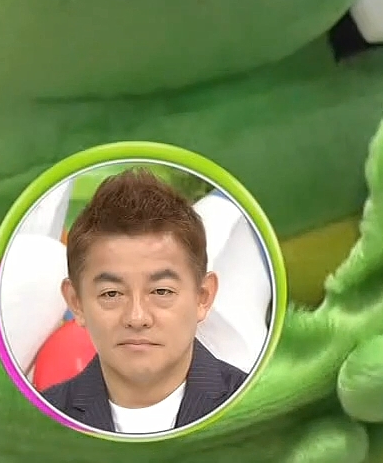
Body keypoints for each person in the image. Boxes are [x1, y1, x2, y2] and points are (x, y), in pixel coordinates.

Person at [41, 168, 247, 435]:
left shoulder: (261, 408)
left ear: (203, 297)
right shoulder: (37, 423)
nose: (137, 318)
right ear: (76, 302)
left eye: (161, 291)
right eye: (111, 294)